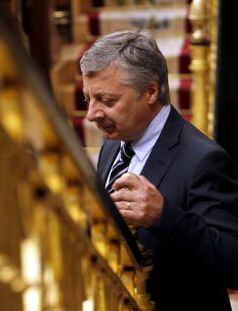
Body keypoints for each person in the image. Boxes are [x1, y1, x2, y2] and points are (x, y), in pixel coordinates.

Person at [80, 29, 238, 310]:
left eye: (107, 101)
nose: (92, 114)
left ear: (151, 91)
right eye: (87, 99)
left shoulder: (204, 160)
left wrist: (165, 215)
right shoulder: (113, 145)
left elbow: (233, 263)